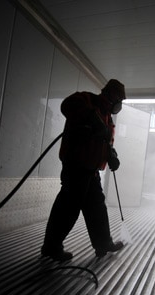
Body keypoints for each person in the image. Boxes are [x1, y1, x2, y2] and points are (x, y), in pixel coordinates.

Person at [41, 79, 126, 261]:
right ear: (110, 95)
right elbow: (67, 105)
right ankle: (51, 246)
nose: (120, 105)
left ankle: (103, 242)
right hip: (76, 165)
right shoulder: (87, 100)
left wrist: (111, 155)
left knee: (96, 206)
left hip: (91, 169)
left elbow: (104, 142)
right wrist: (92, 120)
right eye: (120, 100)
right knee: (68, 207)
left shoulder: (107, 117)